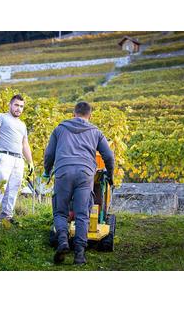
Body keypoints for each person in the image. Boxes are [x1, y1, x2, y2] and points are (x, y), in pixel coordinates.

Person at [43, 101, 114, 265]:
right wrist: (110, 175)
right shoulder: (96, 132)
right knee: (82, 214)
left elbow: (49, 154)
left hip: (63, 171)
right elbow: (109, 156)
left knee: (60, 212)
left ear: (73, 114)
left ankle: (62, 241)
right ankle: (80, 255)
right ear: (90, 115)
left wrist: (47, 171)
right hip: (85, 174)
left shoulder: (59, 129)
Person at [0, 94, 34, 224]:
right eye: (16, 105)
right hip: (4, 156)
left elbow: (25, 144)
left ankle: (7, 218)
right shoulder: (1, 116)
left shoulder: (23, 125)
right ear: (10, 105)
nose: (18, 108)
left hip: (18, 160)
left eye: (21, 106)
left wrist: (30, 162)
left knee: (13, 188)